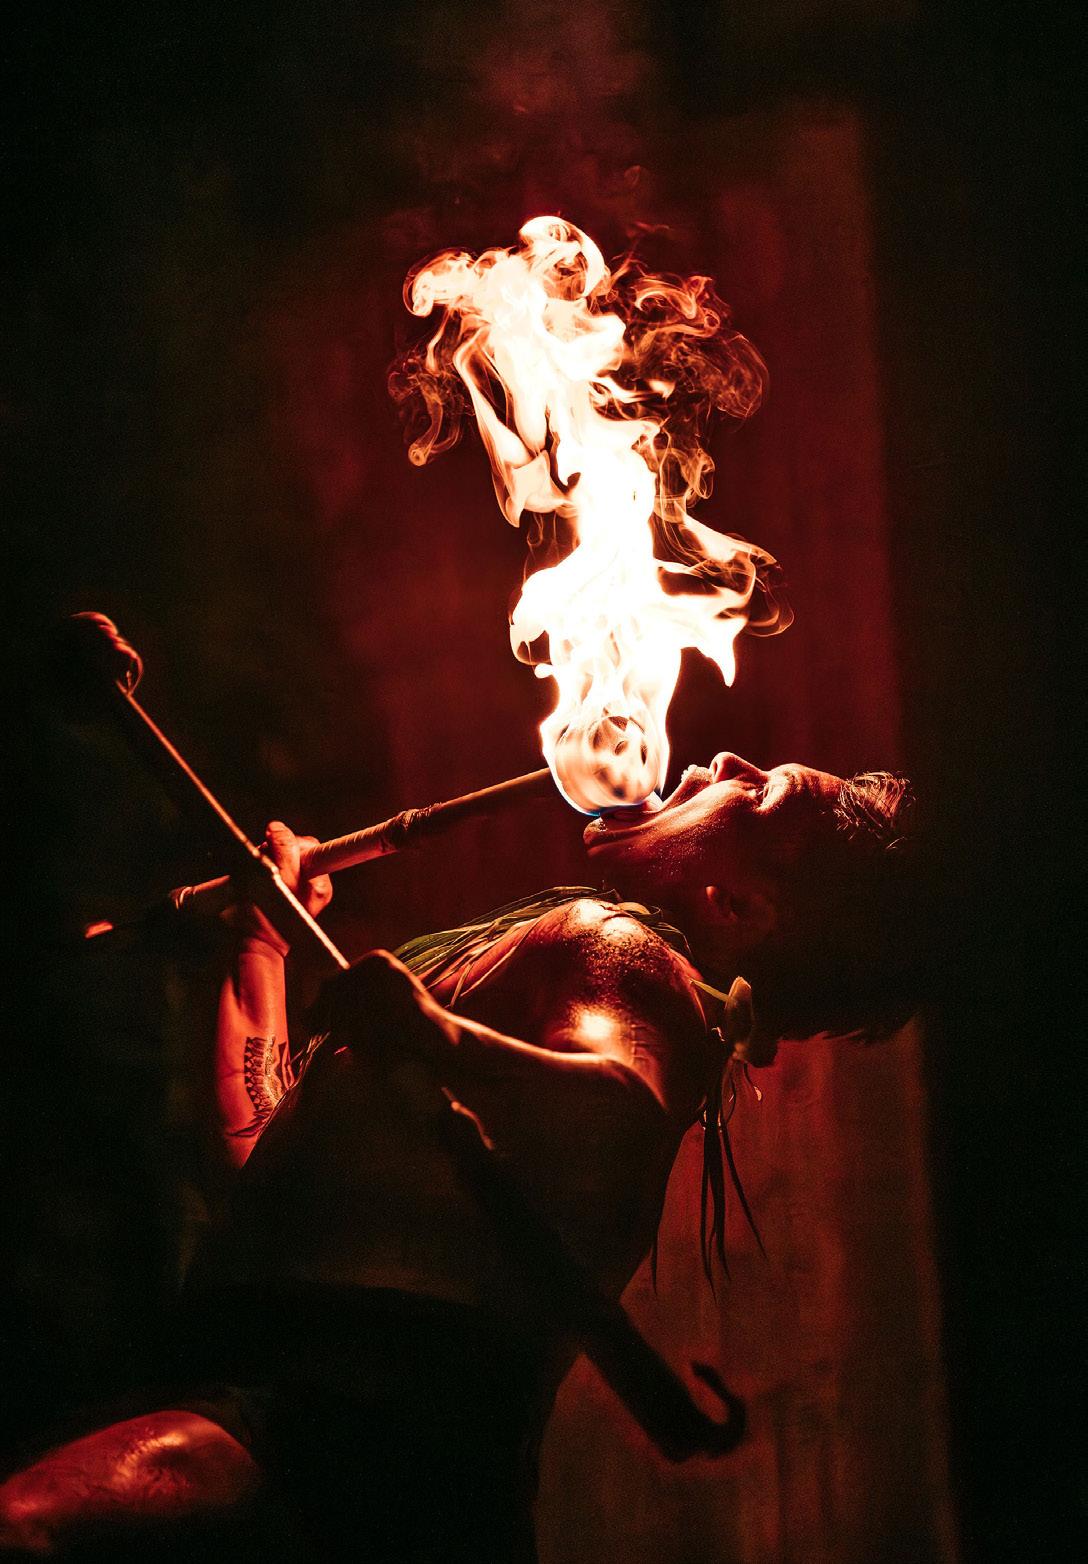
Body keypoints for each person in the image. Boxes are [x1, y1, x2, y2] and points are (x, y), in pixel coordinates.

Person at [0, 751, 920, 1561]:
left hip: (360, 1441)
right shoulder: (593, 961)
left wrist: (435, 1033)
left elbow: (613, 1097)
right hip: (311, 1428)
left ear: (737, 904)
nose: (727, 763)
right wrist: (262, 942)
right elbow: (262, 1161)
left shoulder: (621, 950)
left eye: (758, 795)